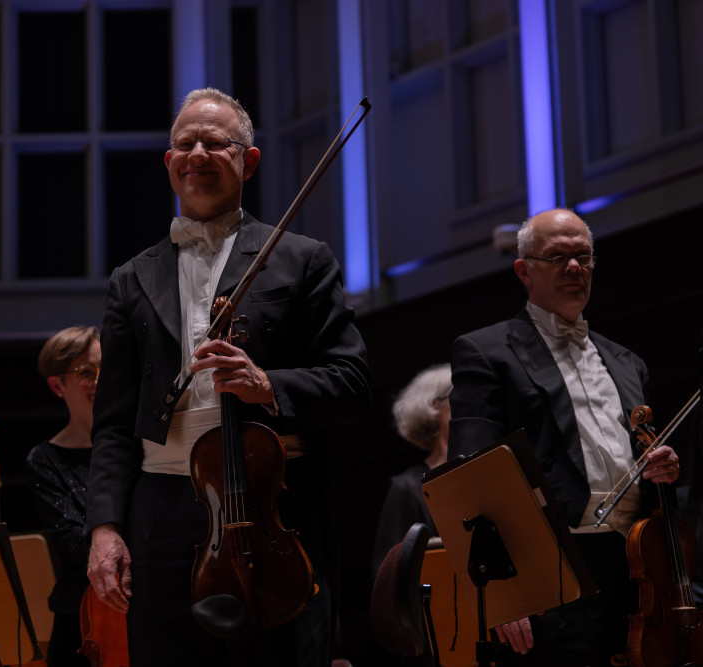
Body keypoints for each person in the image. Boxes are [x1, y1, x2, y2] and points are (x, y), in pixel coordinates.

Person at [84, 87, 371, 667]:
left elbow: (353, 380)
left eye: (216, 142)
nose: (198, 153)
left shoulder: (301, 258)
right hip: (162, 512)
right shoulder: (130, 279)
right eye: (184, 143)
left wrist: (270, 386)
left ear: (249, 160)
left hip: (274, 506)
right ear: (168, 164)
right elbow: (113, 423)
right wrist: (105, 527)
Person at [447, 208, 681, 666]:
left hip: (634, 564)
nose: (574, 268)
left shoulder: (627, 360)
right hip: (551, 565)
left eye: (583, 257)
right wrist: (501, 589)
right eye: (557, 257)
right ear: (524, 271)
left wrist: (662, 466)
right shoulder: (485, 352)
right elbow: (471, 477)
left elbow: (641, 450)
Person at [26, 325, 101, 667]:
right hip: (79, 620)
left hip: (144, 603)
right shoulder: (45, 459)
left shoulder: (141, 443)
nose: (99, 380)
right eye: (86, 372)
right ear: (58, 386)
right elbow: (73, 543)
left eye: (105, 369)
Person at [370, 363, 451, 578]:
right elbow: (388, 574)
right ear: (436, 408)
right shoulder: (406, 487)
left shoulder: (480, 473)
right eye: (458, 394)